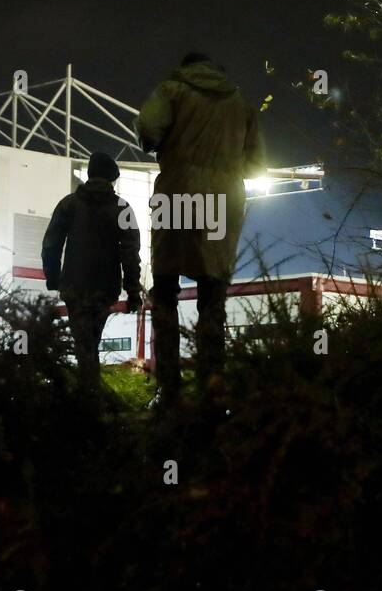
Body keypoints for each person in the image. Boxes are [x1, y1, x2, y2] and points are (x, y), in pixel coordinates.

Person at [136, 53, 265, 408]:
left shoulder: (171, 89)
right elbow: (256, 165)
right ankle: (213, 388)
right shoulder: (241, 102)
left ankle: (169, 390)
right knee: (213, 292)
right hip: (222, 202)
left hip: (176, 194)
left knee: (164, 287)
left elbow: (149, 128)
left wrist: (166, 148)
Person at [41, 152, 143, 394]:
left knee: (84, 344)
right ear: (111, 179)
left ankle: (88, 395)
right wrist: (132, 290)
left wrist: (53, 278)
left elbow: (51, 244)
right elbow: (130, 252)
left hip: (74, 287)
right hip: (105, 289)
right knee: (91, 342)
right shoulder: (122, 209)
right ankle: (92, 395)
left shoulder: (68, 204)